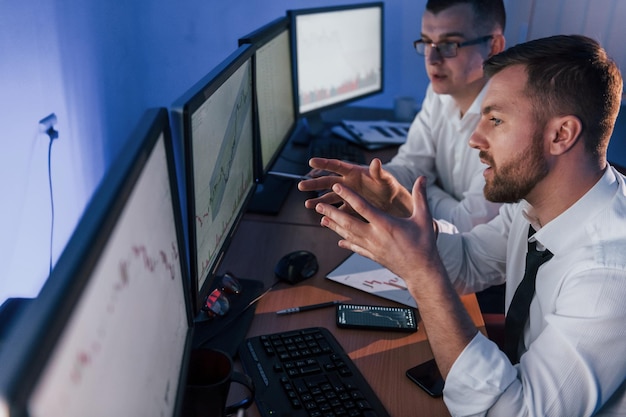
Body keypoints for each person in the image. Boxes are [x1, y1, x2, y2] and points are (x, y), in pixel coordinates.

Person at [309, 35, 626, 415]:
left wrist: (422, 275)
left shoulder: (609, 276)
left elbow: (513, 412)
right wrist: (402, 211)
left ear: (561, 135)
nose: (475, 138)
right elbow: (472, 261)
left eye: (495, 119)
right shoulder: (536, 200)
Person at [300, 0, 506, 233]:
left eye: (449, 45)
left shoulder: (507, 124)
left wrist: (410, 191)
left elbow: (466, 225)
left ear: (493, 46)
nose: (432, 59)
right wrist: (365, 179)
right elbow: (411, 165)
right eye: (427, 42)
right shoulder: (440, 93)